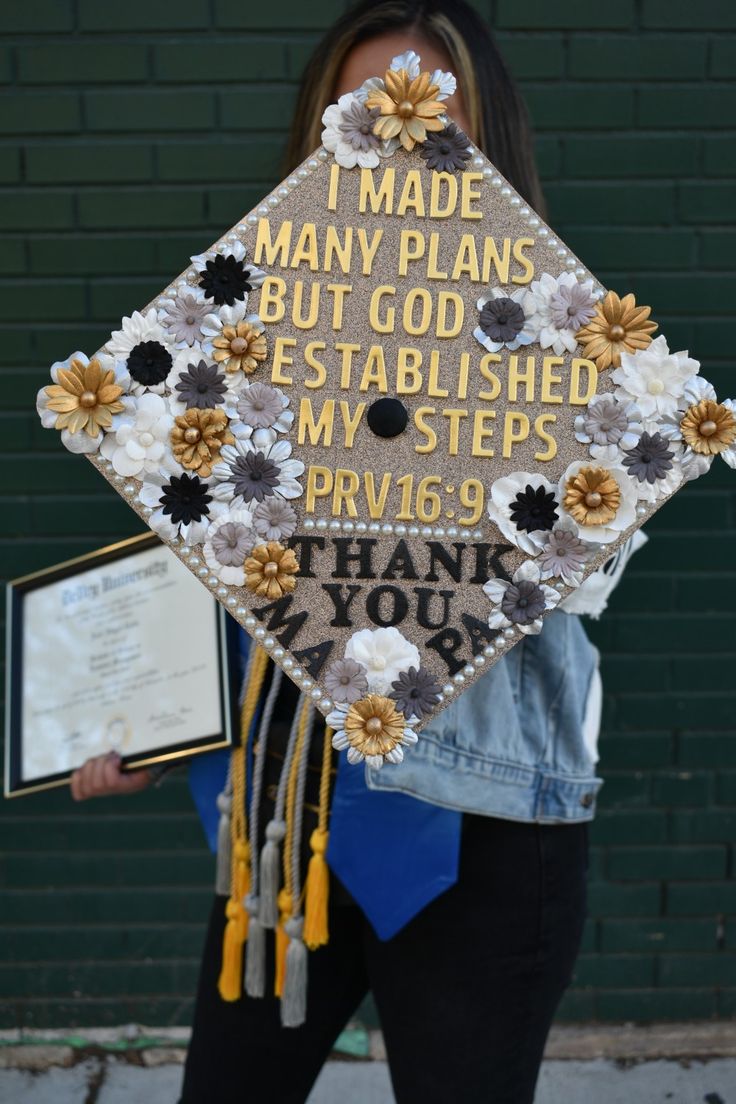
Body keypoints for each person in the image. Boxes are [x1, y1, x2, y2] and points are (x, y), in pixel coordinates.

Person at [70, 2, 622, 1100]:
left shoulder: (571, 352)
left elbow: (582, 579)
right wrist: (153, 715)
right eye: (363, 106)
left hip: (483, 832)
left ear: (483, 132)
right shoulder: (243, 337)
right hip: (283, 824)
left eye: (428, 105)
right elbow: (218, 560)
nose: (393, 130)